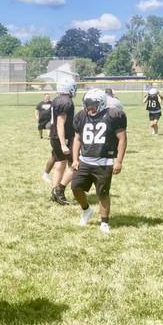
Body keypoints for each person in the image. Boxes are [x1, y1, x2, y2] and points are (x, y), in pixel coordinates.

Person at [70, 89, 127, 234]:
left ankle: (104, 222)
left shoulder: (113, 115)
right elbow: (77, 139)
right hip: (85, 160)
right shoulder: (81, 116)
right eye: (87, 104)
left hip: (104, 162)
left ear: (101, 103)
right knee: (75, 187)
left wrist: (118, 161)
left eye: (92, 104)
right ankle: (86, 210)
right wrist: (75, 159)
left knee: (102, 193)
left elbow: (122, 138)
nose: (89, 107)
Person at [49, 75, 77, 205]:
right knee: (76, 164)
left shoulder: (57, 99)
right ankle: (60, 189)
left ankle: (54, 192)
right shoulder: (66, 101)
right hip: (63, 137)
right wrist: (63, 143)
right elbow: (60, 123)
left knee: (60, 163)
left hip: (54, 135)